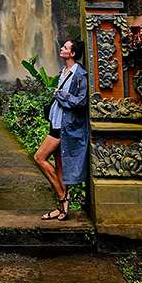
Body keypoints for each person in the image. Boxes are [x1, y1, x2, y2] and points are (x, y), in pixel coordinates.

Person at [33, 39, 89, 221]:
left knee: (39, 157)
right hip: (55, 121)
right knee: (59, 165)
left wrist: (60, 94)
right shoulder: (63, 71)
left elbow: (81, 101)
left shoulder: (79, 74)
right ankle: (62, 209)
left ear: (72, 53)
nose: (61, 48)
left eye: (65, 47)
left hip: (64, 126)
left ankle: (63, 197)